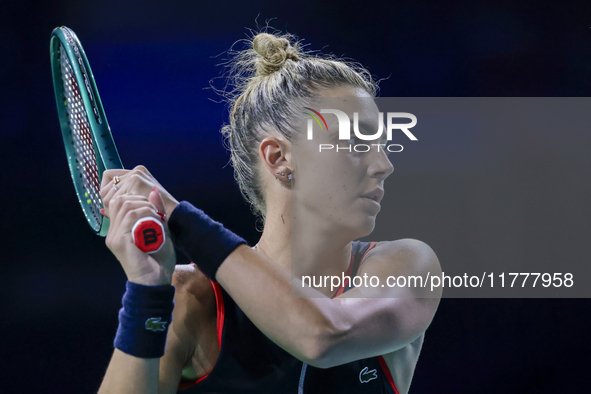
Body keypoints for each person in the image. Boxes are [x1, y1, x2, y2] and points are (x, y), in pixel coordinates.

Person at [97, 31, 442, 394]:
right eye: (355, 142)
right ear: (279, 158)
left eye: (382, 146)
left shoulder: (408, 265)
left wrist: (178, 216)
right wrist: (146, 292)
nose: (384, 165)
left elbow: (323, 335)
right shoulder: (192, 297)